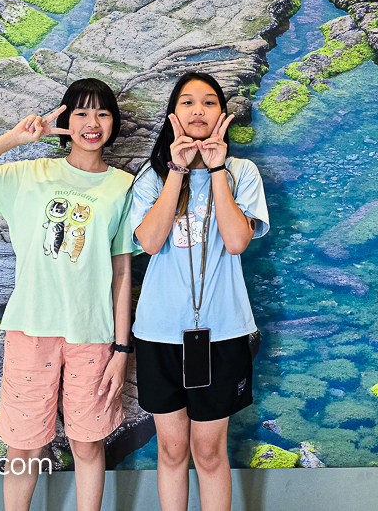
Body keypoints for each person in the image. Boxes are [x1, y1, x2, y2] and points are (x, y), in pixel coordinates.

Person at [0, 78, 135, 511]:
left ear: (114, 122)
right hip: (30, 328)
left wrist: (122, 347)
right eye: (80, 112)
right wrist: (15, 138)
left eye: (102, 113)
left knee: (87, 443)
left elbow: (122, 270)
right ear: (65, 119)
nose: (91, 122)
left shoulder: (123, 186)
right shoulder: (28, 175)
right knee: (23, 446)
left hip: (92, 333)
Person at [131, 71, 269, 511]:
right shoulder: (150, 176)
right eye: (188, 102)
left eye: (208, 102)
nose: (198, 110)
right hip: (159, 332)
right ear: (174, 114)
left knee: (208, 452)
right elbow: (150, 243)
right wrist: (175, 169)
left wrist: (214, 169)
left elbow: (235, 241)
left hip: (224, 332)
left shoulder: (242, 172)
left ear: (222, 115)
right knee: (171, 451)